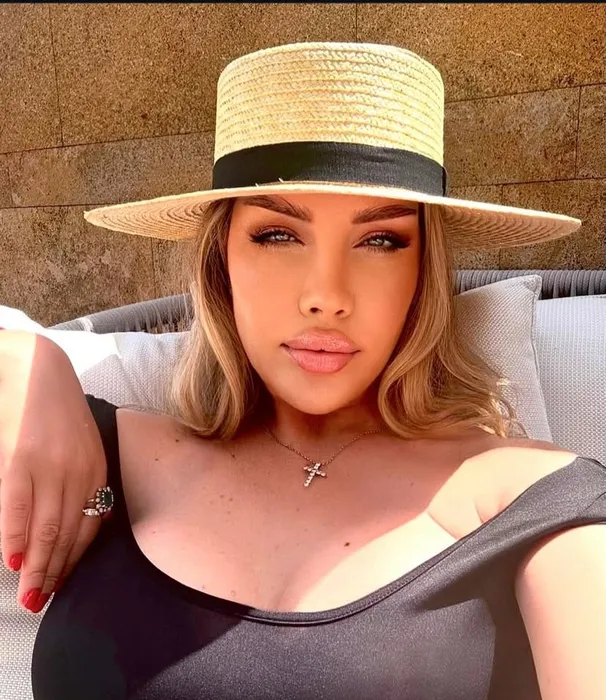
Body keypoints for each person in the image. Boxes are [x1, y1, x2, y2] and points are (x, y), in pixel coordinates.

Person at [1, 41, 605, 700]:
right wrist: (24, 357)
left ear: (422, 272)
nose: (327, 295)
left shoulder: (536, 503)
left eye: (380, 241)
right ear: (221, 259)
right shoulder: (97, 457)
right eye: (278, 235)